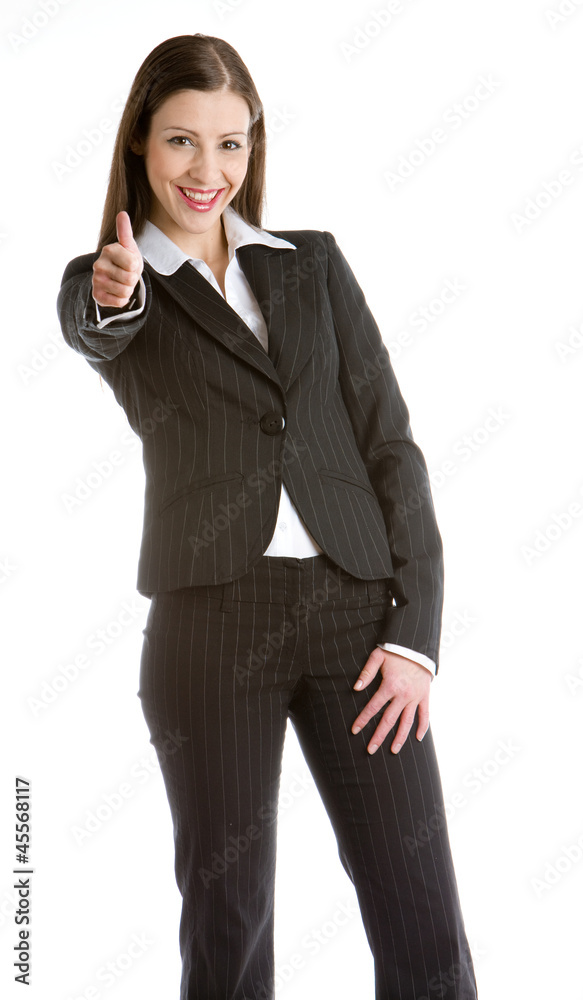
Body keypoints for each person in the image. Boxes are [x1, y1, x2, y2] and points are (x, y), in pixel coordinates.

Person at [57, 32, 478, 1000]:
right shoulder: (113, 279)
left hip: (358, 622)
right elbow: (96, 320)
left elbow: (390, 445)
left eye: (230, 143)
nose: (207, 171)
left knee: (421, 913)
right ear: (139, 142)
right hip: (211, 624)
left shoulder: (311, 265)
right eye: (181, 140)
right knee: (228, 923)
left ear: (253, 147)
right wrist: (113, 293)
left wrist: (415, 635)